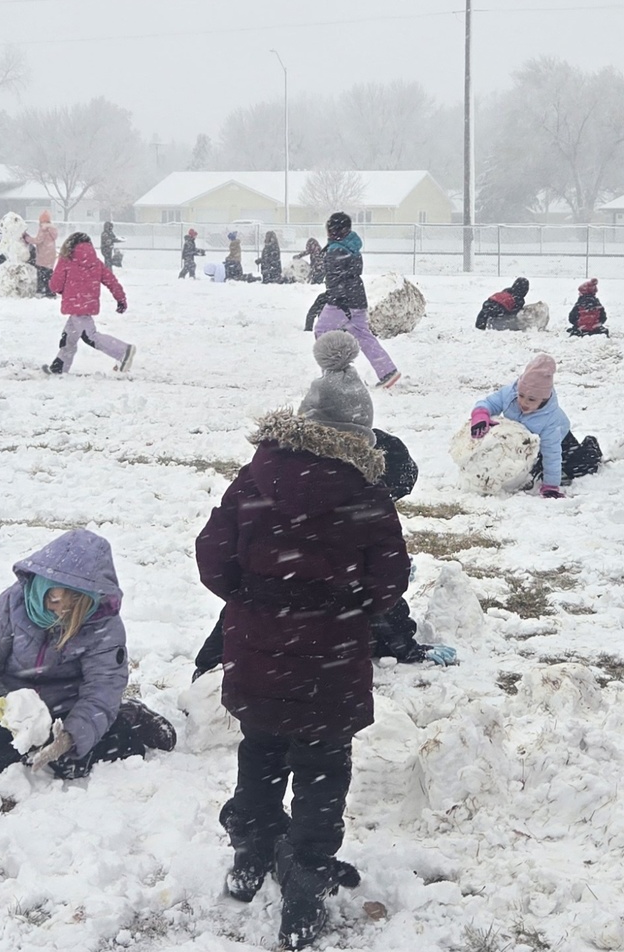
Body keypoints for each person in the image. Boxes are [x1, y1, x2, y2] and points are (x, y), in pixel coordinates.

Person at [194, 330, 410, 949]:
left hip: (259, 654)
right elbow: (389, 578)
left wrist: (255, 600)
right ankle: (306, 881)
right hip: (330, 663)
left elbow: (213, 555)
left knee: (260, 752)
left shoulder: (255, 478)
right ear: (361, 437)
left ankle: (251, 857)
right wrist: (342, 612)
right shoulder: (367, 495)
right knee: (320, 770)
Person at [193, 425, 455, 677]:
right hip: (313, 669)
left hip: (255, 647)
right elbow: (379, 593)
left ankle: (212, 662)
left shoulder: (280, 475)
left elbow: (222, 562)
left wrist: (244, 598)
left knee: (261, 588)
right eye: (391, 497)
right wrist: (406, 646)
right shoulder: (355, 510)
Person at [0, 529, 176, 778]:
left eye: (72, 605)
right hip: (18, 712)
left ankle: (128, 716)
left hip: (71, 706)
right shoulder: (12, 603)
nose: (60, 611)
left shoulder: (102, 622)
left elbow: (102, 686)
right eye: (53, 599)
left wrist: (70, 737)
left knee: (115, 752)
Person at [469, 353, 601, 497]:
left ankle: (590, 447)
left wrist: (551, 486)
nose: (523, 402)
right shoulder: (510, 394)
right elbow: (489, 403)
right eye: (521, 395)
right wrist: (480, 415)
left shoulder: (550, 419)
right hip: (529, 440)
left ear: (543, 399)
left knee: (577, 468)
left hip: (561, 441)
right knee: (531, 468)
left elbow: (552, 454)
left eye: (531, 399)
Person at [313, 212, 400, 388]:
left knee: (322, 331)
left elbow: (336, 279)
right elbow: (350, 276)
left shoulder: (336, 249)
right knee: (363, 335)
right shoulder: (350, 246)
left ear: (335, 229)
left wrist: (338, 301)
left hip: (342, 301)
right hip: (357, 298)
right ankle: (388, 371)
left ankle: (334, 372)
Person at [43, 231, 135, 375]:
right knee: (69, 338)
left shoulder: (66, 259)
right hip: (88, 304)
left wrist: (61, 289)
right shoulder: (96, 262)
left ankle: (123, 351)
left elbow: (55, 285)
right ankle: (59, 367)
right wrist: (120, 299)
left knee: (90, 336)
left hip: (74, 304)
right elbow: (111, 281)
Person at [25, 210, 58, 296]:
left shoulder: (43, 229)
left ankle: (41, 290)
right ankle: (50, 290)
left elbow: (38, 240)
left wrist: (27, 238)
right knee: (49, 273)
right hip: (51, 254)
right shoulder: (52, 229)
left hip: (43, 254)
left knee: (41, 273)